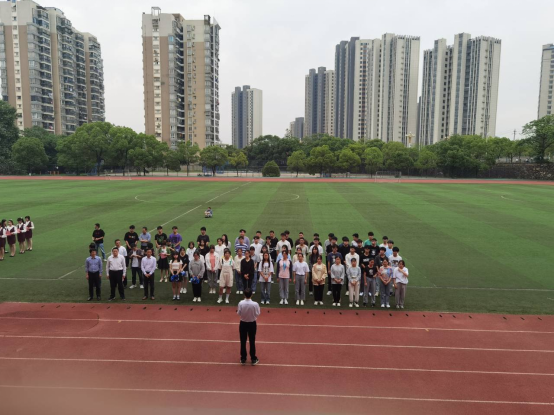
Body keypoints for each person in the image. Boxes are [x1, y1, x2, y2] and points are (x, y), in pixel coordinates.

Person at [237, 288, 260, 366]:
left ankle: (243, 358)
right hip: (252, 323)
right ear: (251, 295)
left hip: (243, 323)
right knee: (252, 341)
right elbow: (257, 313)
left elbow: (239, 313)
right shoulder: (255, 304)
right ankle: (253, 358)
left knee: (243, 341)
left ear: (244, 295)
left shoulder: (241, 303)